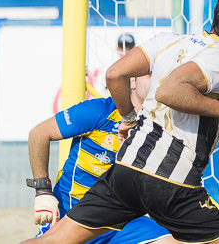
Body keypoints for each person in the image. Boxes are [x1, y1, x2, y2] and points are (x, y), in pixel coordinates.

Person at [20, 0, 219, 244]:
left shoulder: (170, 41)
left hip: (126, 171)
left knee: (54, 241)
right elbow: (170, 91)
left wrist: (129, 118)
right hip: (171, 182)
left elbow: (115, 74)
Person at [26, 57, 175, 243]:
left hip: (122, 217)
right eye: (151, 74)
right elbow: (38, 134)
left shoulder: (161, 123)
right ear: (133, 82)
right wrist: (43, 191)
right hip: (73, 212)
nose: (158, 80)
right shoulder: (100, 110)